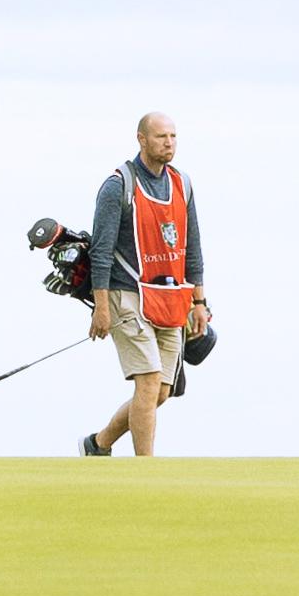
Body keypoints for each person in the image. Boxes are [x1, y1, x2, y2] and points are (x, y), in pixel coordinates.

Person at [81, 108, 208, 458]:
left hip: (169, 298)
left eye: (173, 136)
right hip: (126, 294)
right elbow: (101, 251)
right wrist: (101, 307)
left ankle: (98, 444)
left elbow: (191, 245)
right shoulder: (118, 186)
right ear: (142, 139)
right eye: (160, 136)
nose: (168, 143)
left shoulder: (182, 184)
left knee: (161, 391)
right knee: (148, 382)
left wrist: (200, 302)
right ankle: (145, 470)